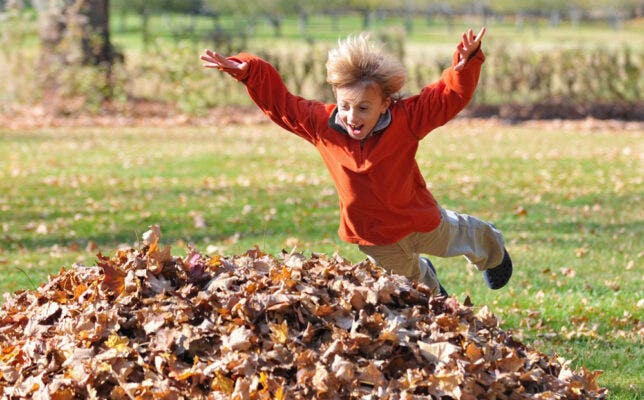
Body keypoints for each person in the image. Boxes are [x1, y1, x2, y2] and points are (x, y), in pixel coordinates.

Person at [200, 27, 512, 296]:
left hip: (417, 219)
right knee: (412, 285)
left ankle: (494, 252)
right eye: (346, 106)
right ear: (336, 98)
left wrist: (464, 64)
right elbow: (281, 103)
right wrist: (247, 69)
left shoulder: (406, 120)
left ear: (384, 104)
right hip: (373, 235)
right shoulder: (321, 125)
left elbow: (447, 97)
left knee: (463, 237)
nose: (352, 116)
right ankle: (434, 291)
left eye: (364, 108)